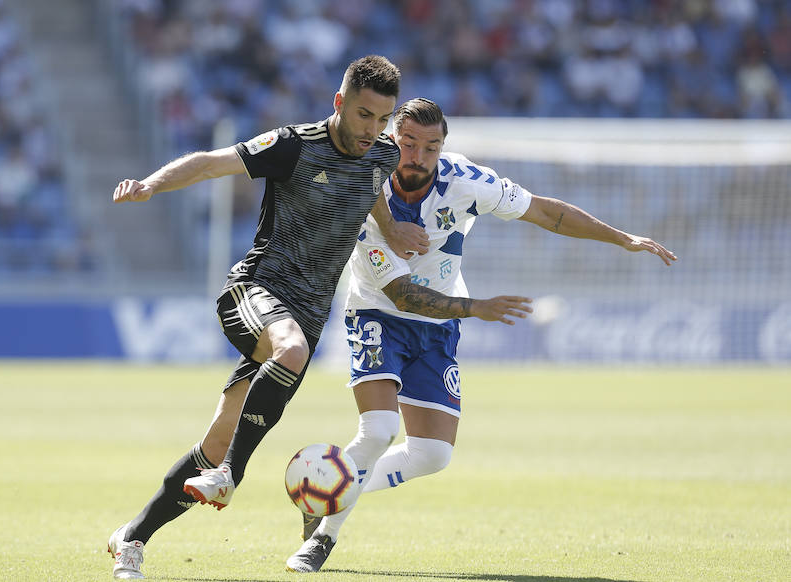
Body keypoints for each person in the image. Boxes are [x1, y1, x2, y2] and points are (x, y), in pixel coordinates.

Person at [285, 97, 677, 573]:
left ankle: (327, 489)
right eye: (408, 144)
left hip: (437, 326)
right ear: (392, 139)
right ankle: (323, 537)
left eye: (431, 147)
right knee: (381, 429)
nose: (418, 156)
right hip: (378, 312)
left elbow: (545, 213)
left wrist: (621, 238)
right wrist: (478, 309)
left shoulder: (467, 182)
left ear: (443, 147)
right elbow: (403, 296)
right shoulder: (365, 190)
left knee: (432, 454)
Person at [106, 56, 430, 580]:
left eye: (382, 118)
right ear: (340, 104)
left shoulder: (383, 157)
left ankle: (130, 539)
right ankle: (231, 475)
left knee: (214, 441)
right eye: (364, 115)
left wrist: (394, 233)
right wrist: (149, 185)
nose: (373, 129)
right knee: (289, 355)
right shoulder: (293, 145)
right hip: (253, 292)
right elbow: (211, 163)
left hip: (306, 318)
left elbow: (370, 199)